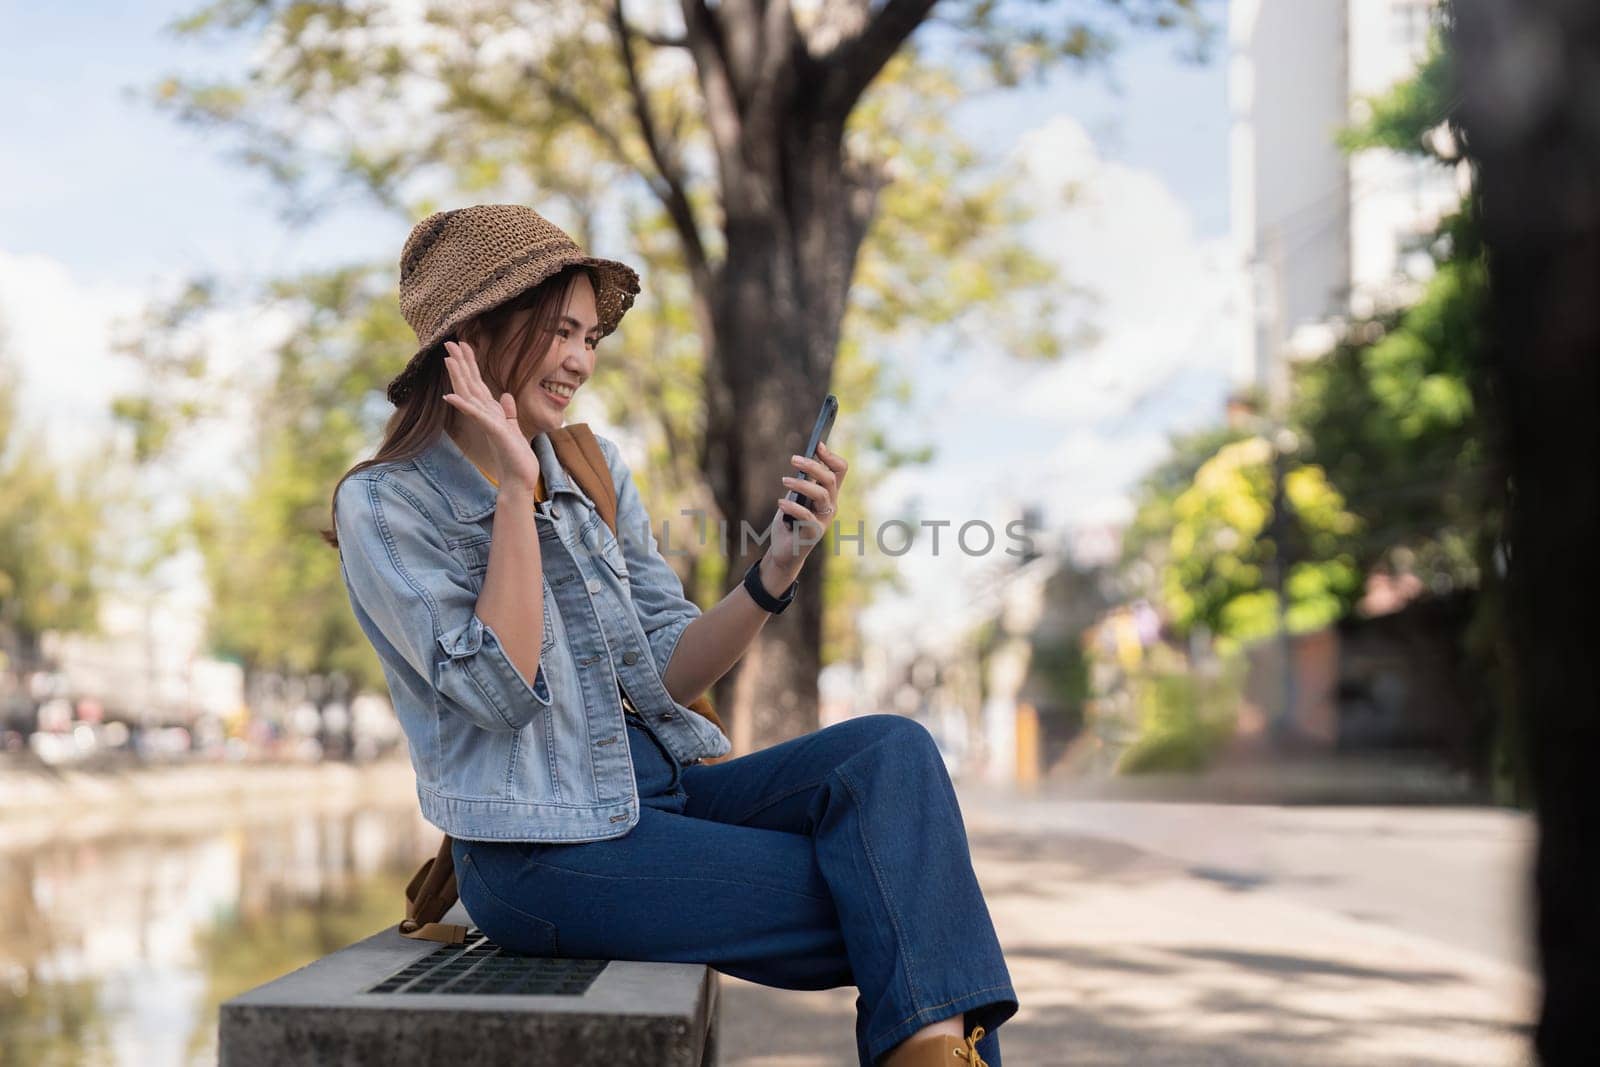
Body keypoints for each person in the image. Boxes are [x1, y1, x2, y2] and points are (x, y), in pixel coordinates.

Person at [322, 204, 1017, 1066]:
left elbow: (665, 661)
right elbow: (498, 690)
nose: (581, 358)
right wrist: (511, 491)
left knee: (892, 754)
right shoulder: (385, 505)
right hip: (545, 851)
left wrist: (777, 568)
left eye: (590, 336)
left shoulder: (590, 465)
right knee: (904, 892)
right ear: (475, 333)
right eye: (559, 331)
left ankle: (932, 1054)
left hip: (668, 796)